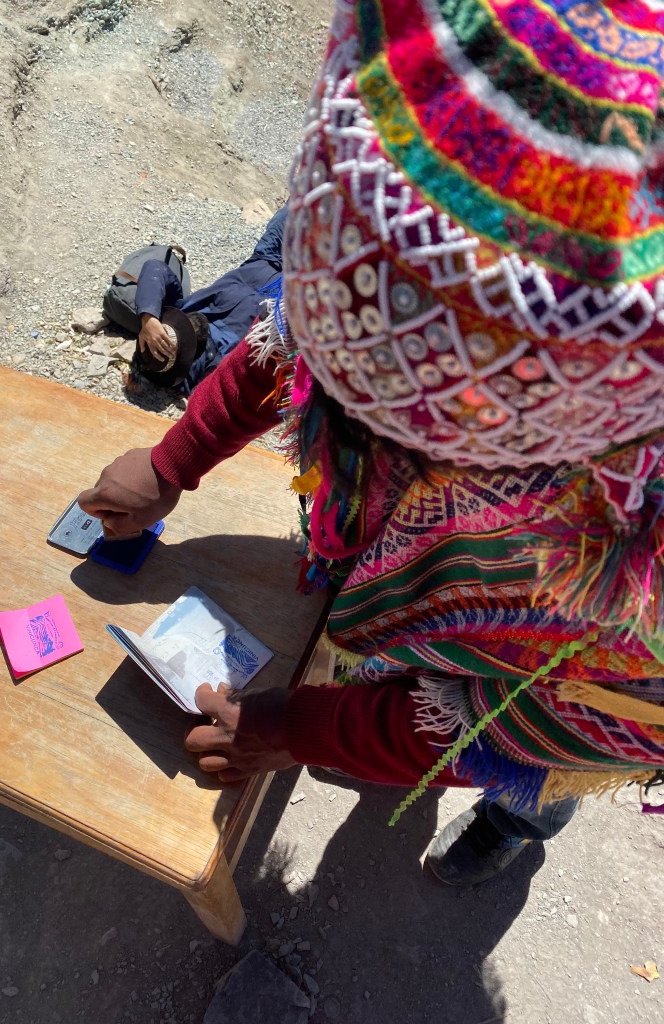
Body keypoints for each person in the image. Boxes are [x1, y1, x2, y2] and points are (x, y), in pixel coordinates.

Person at [78, 0, 664, 886]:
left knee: (531, 776)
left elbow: (524, 719)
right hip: (446, 595)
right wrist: (173, 461)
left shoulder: (631, 604)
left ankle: (515, 821)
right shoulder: (407, 208)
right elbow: (301, 344)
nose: (343, 405)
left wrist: (302, 731)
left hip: (548, 696)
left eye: (414, 427)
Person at [134, 205, 287, 394]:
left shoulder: (178, 314)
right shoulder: (216, 366)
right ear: (185, 356)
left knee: (303, 201)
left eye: (178, 326)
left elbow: (155, 268)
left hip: (263, 258)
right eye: (184, 333)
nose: (183, 324)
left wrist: (148, 318)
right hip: (293, 287)